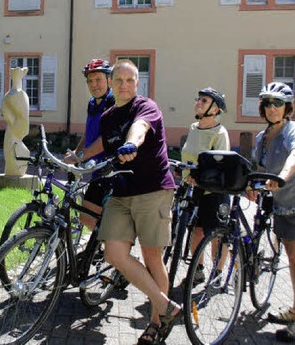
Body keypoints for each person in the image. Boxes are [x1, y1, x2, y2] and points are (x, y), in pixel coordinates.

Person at [83, 59, 180, 345]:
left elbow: (138, 129)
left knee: (152, 258)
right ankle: (166, 306)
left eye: (129, 81)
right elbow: (104, 142)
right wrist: (82, 157)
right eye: (119, 81)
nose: (124, 85)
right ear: (112, 84)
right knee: (113, 254)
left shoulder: (146, 107)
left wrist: (132, 144)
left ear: (137, 84)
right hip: (122, 191)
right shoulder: (109, 115)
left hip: (153, 190)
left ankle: (154, 323)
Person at [248, 82, 295, 342]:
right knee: (291, 257)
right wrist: (250, 184)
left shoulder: (294, 130)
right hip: (282, 203)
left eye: (278, 103)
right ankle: (294, 311)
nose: (272, 108)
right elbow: (258, 166)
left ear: (287, 107)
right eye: (267, 103)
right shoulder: (262, 137)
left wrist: (281, 177)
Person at [180, 87, 230, 286]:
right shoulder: (193, 128)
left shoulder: (220, 133)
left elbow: (219, 165)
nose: (198, 103)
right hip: (192, 189)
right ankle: (198, 271)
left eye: (204, 101)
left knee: (215, 233)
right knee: (196, 231)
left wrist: (200, 177)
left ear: (215, 109)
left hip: (213, 192)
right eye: (198, 99)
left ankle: (217, 273)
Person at [64, 59, 115, 230]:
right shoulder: (93, 103)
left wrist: (81, 156)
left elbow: (105, 138)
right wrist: (76, 154)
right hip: (96, 168)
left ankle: (109, 249)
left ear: (109, 80)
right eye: (90, 81)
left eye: (98, 79)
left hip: (112, 169)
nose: (94, 85)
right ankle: (99, 249)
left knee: (102, 216)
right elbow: (89, 133)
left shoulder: (113, 103)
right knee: (87, 217)